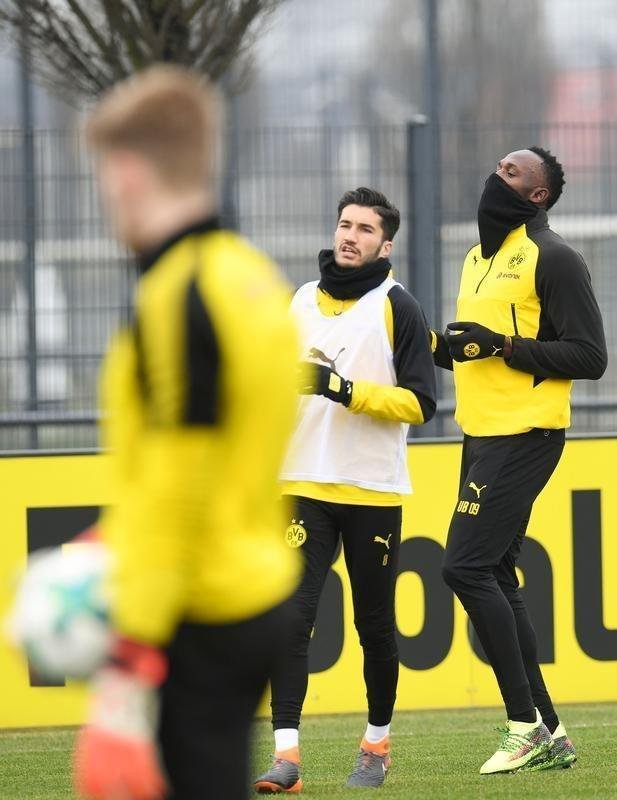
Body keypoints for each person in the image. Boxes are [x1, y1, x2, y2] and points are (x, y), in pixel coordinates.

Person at [74, 65, 302, 800]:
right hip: (252, 587)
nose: (105, 195)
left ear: (132, 171)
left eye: (104, 174)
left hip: (197, 607)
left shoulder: (178, 295)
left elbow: (182, 476)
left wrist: (130, 654)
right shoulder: (251, 276)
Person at [253, 187, 437, 793]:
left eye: (363, 229)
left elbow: (421, 402)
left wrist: (342, 388)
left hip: (371, 491)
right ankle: (287, 756)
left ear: (386, 244)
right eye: (343, 224)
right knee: (291, 620)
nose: (349, 236)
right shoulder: (301, 299)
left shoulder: (398, 306)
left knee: (375, 628)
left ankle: (376, 745)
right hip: (301, 486)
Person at [432, 147, 607, 774]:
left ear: (539, 196)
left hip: (526, 434)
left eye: (510, 172)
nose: (493, 176)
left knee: (463, 567)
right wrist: (448, 349)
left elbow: (589, 357)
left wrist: (504, 345)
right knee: (495, 575)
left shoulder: (553, 257)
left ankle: (522, 724)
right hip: (479, 435)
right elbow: (485, 349)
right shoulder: (479, 257)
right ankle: (551, 732)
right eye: (496, 167)